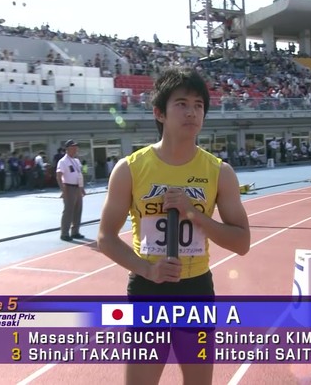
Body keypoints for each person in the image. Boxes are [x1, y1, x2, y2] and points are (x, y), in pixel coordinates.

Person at [97, 67, 251, 385]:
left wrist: (194, 214)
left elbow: (241, 242)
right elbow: (106, 238)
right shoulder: (129, 169)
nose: (191, 112)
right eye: (181, 103)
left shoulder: (219, 172)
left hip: (196, 290)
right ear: (159, 113)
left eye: (198, 105)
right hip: (147, 289)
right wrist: (147, 269)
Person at [56, 140, 85, 241]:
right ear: (67, 149)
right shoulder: (63, 161)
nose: (75, 149)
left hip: (77, 187)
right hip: (69, 187)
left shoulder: (76, 161)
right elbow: (59, 176)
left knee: (78, 210)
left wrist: (81, 188)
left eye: (76, 147)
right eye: (73, 147)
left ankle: (75, 232)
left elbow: (79, 175)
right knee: (68, 211)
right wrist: (63, 190)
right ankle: (64, 233)